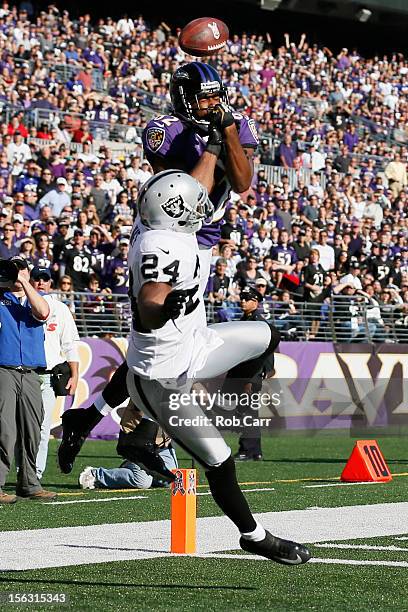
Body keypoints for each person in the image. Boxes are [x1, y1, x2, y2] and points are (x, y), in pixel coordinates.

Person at [58, 61, 259, 471]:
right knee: (164, 343)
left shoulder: (237, 124)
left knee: (163, 347)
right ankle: (139, 433)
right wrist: (214, 145)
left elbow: (241, 183)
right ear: (186, 98)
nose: (214, 104)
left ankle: (96, 418)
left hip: (202, 244)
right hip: (166, 236)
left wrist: (230, 133)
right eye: (206, 97)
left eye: (218, 96)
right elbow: (184, 197)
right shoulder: (162, 130)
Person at [124, 170, 310, 564]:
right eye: (191, 205)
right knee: (220, 461)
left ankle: (156, 429)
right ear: (174, 211)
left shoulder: (163, 229)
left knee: (266, 334)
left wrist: (213, 143)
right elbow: (150, 300)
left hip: (193, 348)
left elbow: (192, 189)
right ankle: (254, 535)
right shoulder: (163, 247)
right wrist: (160, 311)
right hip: (164, 380)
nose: (200, 209)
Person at [0, 256, 56, 503]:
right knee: (5, 430)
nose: (16, 272)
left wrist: (25, 281)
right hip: (5, 370)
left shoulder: (38, 298)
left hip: (32, 373)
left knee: (33, 430)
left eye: (21, 268)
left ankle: (29, 483)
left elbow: (42, 312)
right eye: (13, 268)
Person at [29, 266, 79, 479]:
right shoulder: (19, 305)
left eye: (45, 279)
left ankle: (35, 474)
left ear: (50, 283)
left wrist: (75, 375)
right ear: (29, 281)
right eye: (37, 278)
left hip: (50, 376)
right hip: (24, 374)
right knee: (18, 428)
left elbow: (70, 344)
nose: (41, 282)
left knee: (42, 428)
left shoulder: (60, 309)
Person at [79, 402, 178, 490]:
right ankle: (96, 475)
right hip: (139, 444)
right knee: (142, 482)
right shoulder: (147, 389)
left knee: (171, 480)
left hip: (161, 446)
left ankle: (139, 470)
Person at [233, 285, 278, 461]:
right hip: (245, 373)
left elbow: (264, 352)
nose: (242, 301)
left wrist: (254, 377)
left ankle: (247, 449)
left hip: (251, 375)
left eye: (247, 298)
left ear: (256, 302)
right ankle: (255, 451)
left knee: (247, 412)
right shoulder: (246, 321)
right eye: (242, 298)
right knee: (249, 412)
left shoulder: (258, 324)